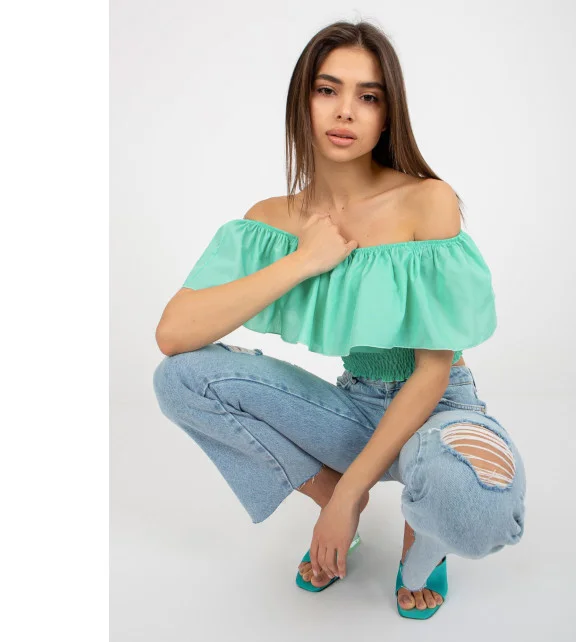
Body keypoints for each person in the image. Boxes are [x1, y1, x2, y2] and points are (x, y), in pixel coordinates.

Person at [152, 20, 526, 620]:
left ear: (387, 114)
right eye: (328, 90)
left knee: (479, 505)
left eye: (368, 96)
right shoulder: (271, 218)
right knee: (181, 380)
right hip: (352, 407)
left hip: (437, 406)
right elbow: (174, 336)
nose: (345, 111)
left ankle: (422, 537)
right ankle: (333, 500)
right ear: (303, 101)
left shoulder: (427, 200)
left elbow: (432, 372)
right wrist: (304, 259)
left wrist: (352, 491)